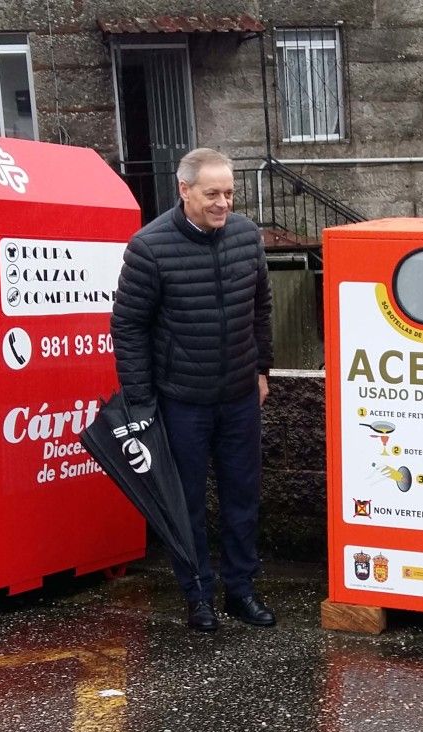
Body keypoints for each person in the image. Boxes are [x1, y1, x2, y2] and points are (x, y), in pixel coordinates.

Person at [111, 148, 274, 633]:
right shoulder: (149, 247)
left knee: (243, 496)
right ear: (184, 191)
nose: (223, 203)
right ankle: (198, 595)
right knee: (185, 503)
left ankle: (242, 589)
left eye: (229, 193)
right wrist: (141, 400)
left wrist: (263, 369)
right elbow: (128, 326)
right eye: (212, 194)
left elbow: (262, 307)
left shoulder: (246, 237)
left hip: (240, 395)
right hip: (180, 401)